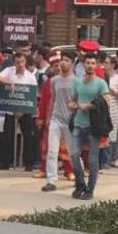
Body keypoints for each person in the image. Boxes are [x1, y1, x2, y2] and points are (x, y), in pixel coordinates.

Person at [68, 54, 109, 200]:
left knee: (92, 159)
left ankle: (90, 189)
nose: (90, 65)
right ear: (84, 65)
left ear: (96, 65)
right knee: (73, 154)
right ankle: (80, 184)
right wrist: (72, 105)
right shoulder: (78, 82)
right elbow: (72, 100)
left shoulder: (101, 83)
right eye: (88, 63)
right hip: (79, 123)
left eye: (93, 63)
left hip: (94, 125)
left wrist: (90, 106)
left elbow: (106, 101)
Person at [0, 51, 38, 171]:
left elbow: (32, 94)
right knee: (7, 136)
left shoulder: (30, 76)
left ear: (25, 62)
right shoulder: (9, 71)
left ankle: (28, 163)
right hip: (10, 109)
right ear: (14, 62)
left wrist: (22, 110)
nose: (20, 64)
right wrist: (10, 82)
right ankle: (5, 162)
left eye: (22, 62)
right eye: (18, 62)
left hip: (25, 111)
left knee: (28, 137)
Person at [40, 51, 76, 192]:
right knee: (52, 151)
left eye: (66, 60)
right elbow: (52, 99)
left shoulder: (77, 81)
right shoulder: (54, 80)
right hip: (56, 119)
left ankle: (78, 177)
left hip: (70, 121)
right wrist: (48, 118)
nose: (63, 63)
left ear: (72, 63)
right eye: (62, 60)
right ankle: (51, 180)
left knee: (73, 151)